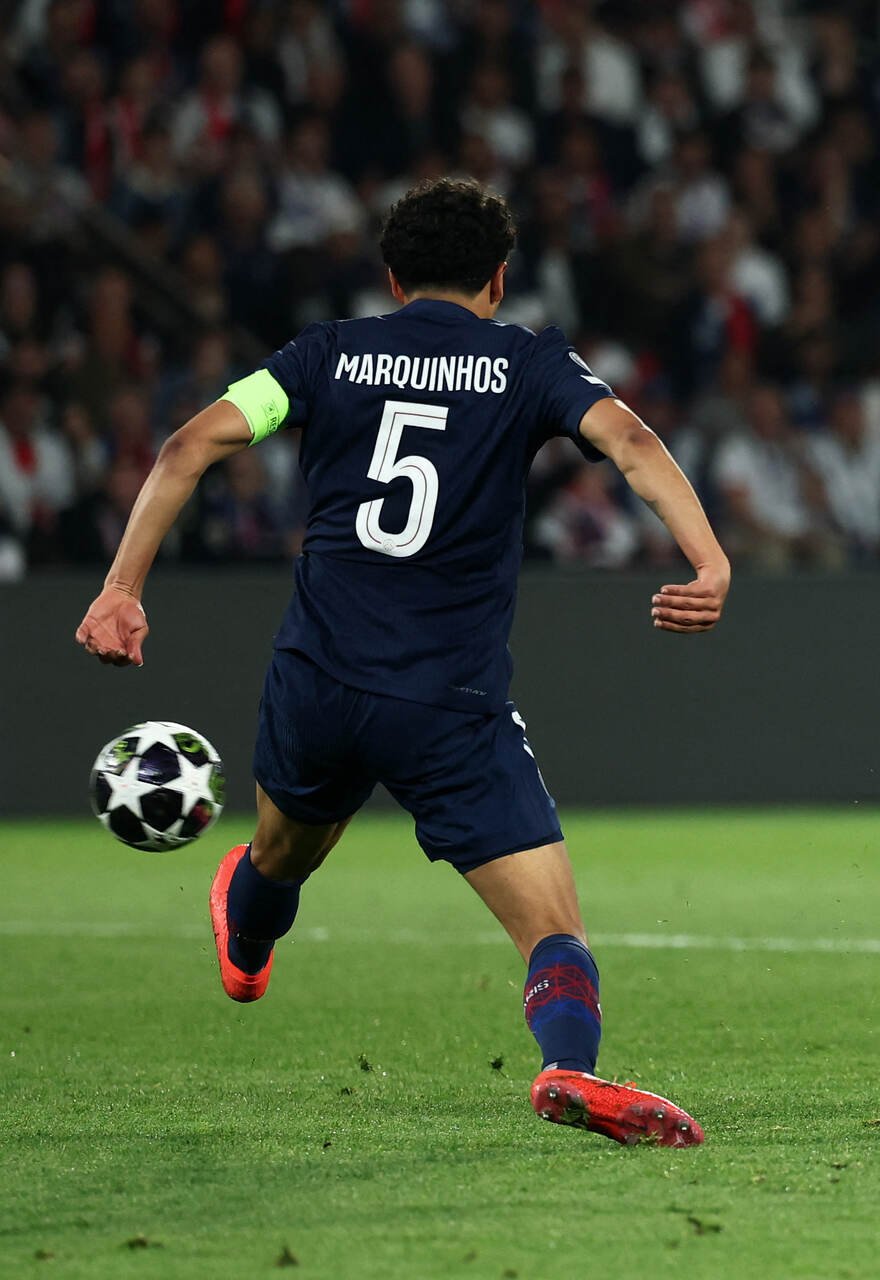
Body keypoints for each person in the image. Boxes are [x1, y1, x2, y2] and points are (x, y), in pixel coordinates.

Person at [73, 178, 730, 1148]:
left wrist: (122, 587)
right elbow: (628, 440)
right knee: (553, 930)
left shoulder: (326, 354)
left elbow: (186, 446)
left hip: (319, 680)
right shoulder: (526, 362)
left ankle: (248, 935)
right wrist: (710, 563)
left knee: (283, 854)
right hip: (446, 702)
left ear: (392, 278)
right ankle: (567, 1068)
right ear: (498, 279)